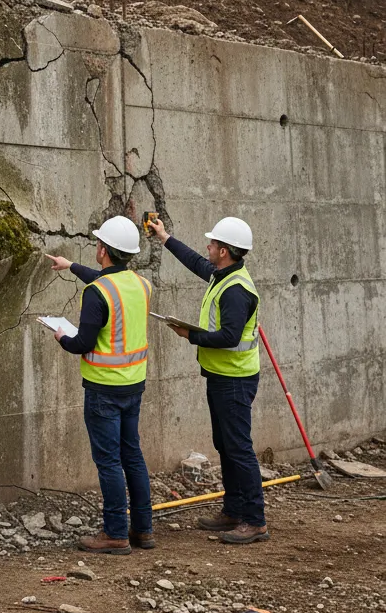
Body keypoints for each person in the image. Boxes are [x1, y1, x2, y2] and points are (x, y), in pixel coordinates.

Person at [149, 215, 268, 544]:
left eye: (213, 244)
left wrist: (190, 335)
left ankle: (255, 520)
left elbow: (229, 337)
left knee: (239, 448)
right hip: (222, 376)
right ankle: (233, 510)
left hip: (234, 380)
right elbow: (195, 261)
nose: (208, 247)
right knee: (226, 445)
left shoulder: (236, 290)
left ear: (225, 251)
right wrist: (164, 237)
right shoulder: (223, 275)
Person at [45, 215, 153, 554]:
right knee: (132, 456)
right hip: (133, 385)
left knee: (108, 462)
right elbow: (109, 282)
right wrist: (71, 266)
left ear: (103, 250)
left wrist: (61, 336)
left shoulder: (96, 294)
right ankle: (143, 530)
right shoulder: (142, 284)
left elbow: (83, 343)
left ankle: (116, 534)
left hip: (103, 389)